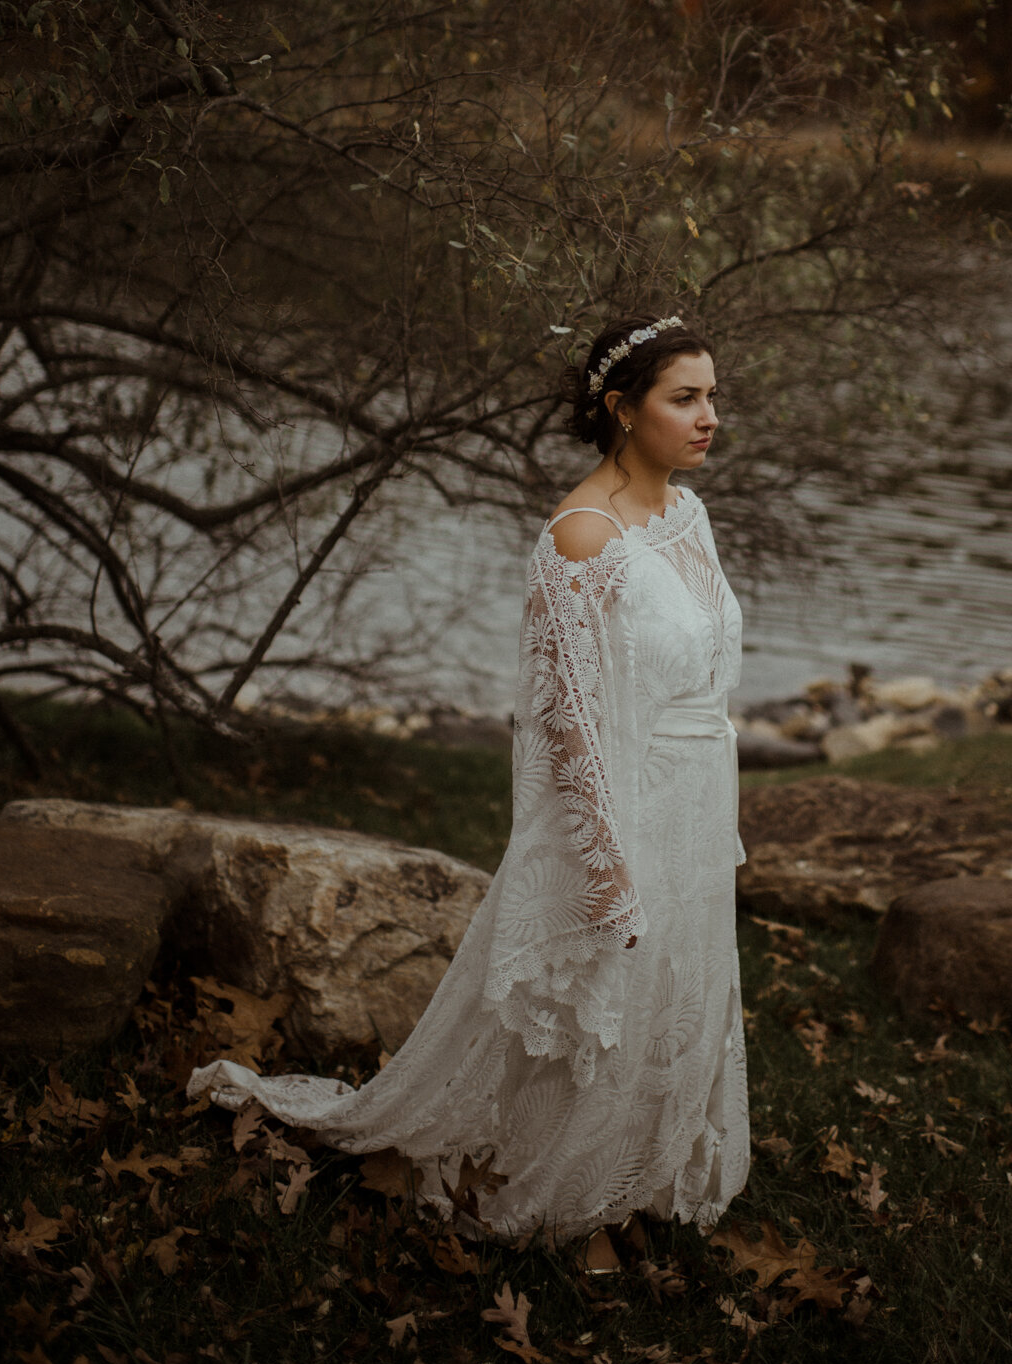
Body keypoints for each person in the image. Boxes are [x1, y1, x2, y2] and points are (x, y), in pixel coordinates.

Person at [188, 313, 748, 1239]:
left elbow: (706, 662)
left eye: (712, 396)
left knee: (679, 994)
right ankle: (560, 1200)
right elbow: (566, 727)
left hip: (696, 794)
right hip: (623, 801)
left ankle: (641, 1171)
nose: (708, 416)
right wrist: (605, 870)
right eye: (684, 397)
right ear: (621, 408)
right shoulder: (579, 539)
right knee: (596, 1004)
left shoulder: (688, 516)